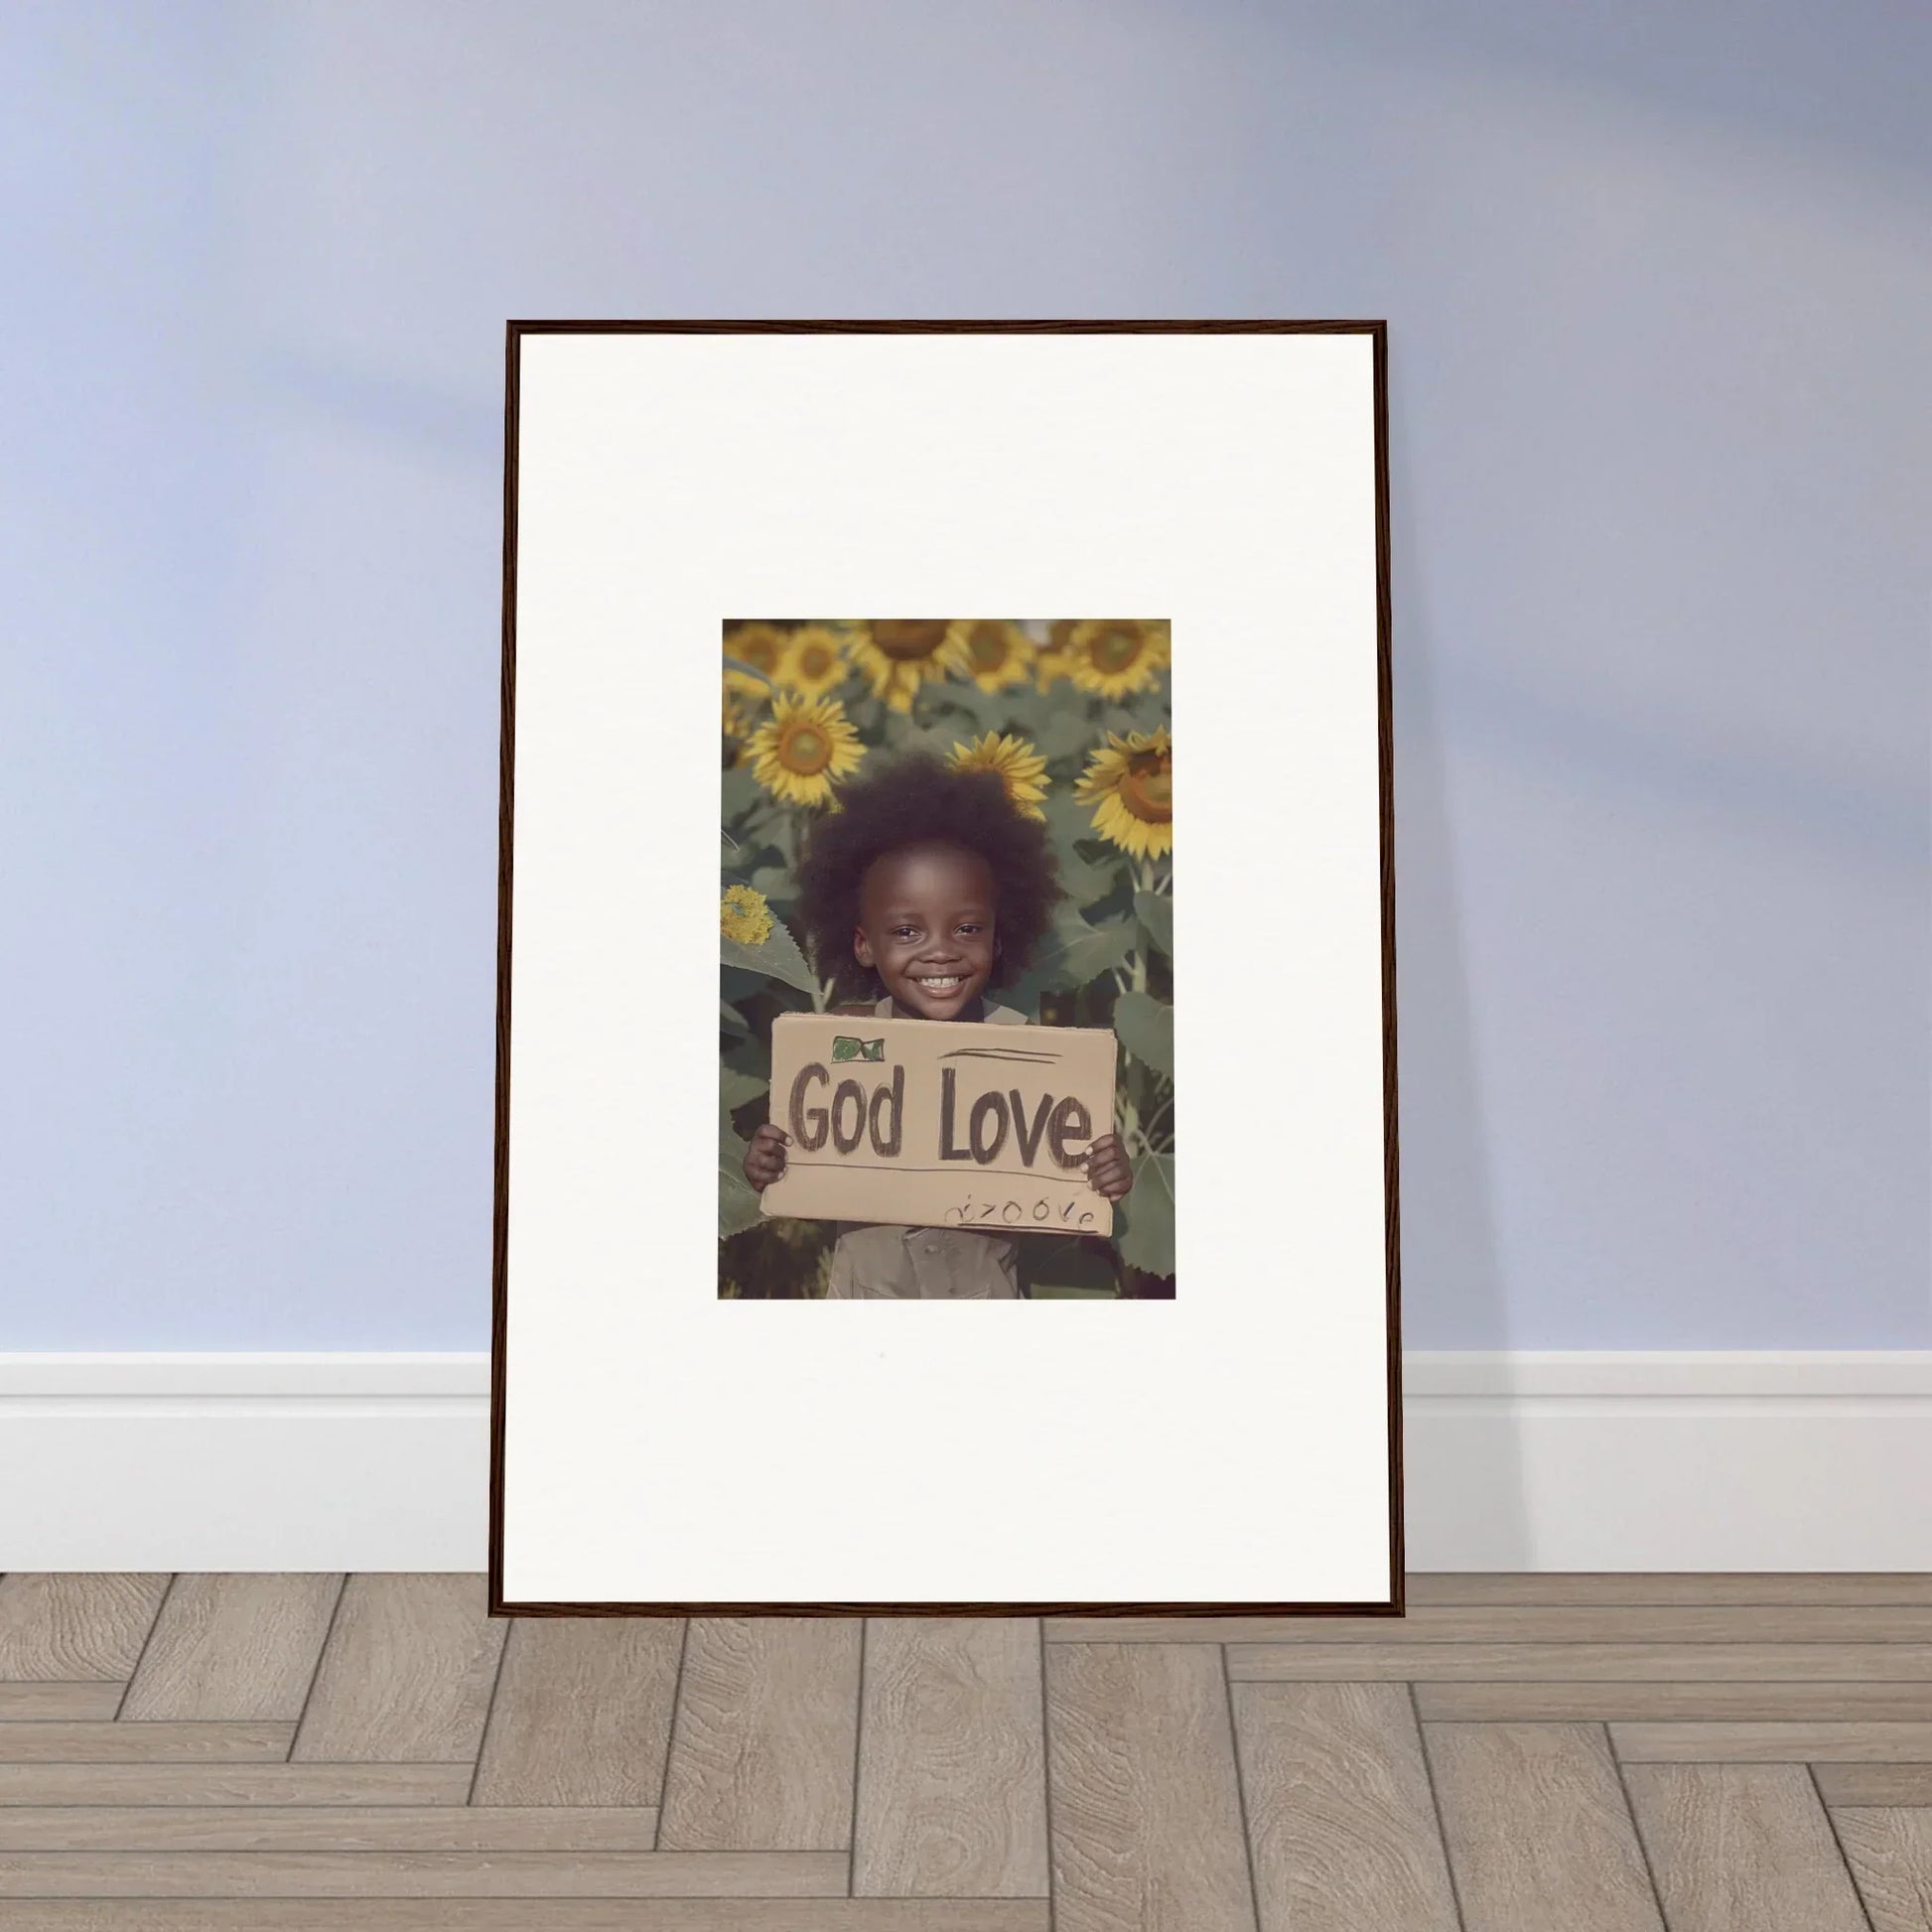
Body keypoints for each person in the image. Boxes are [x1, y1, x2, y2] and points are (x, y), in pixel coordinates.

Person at [743, 753, 1133, 1297]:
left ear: (998, 939)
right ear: (862, 944)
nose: (940, 953)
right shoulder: (842, 1044)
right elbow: (807, 1164)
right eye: (906, 932)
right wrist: (769, 1162)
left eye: (967, 928)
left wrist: (1107, 1171)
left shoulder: (1027, 1053)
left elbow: (1067, 1173)